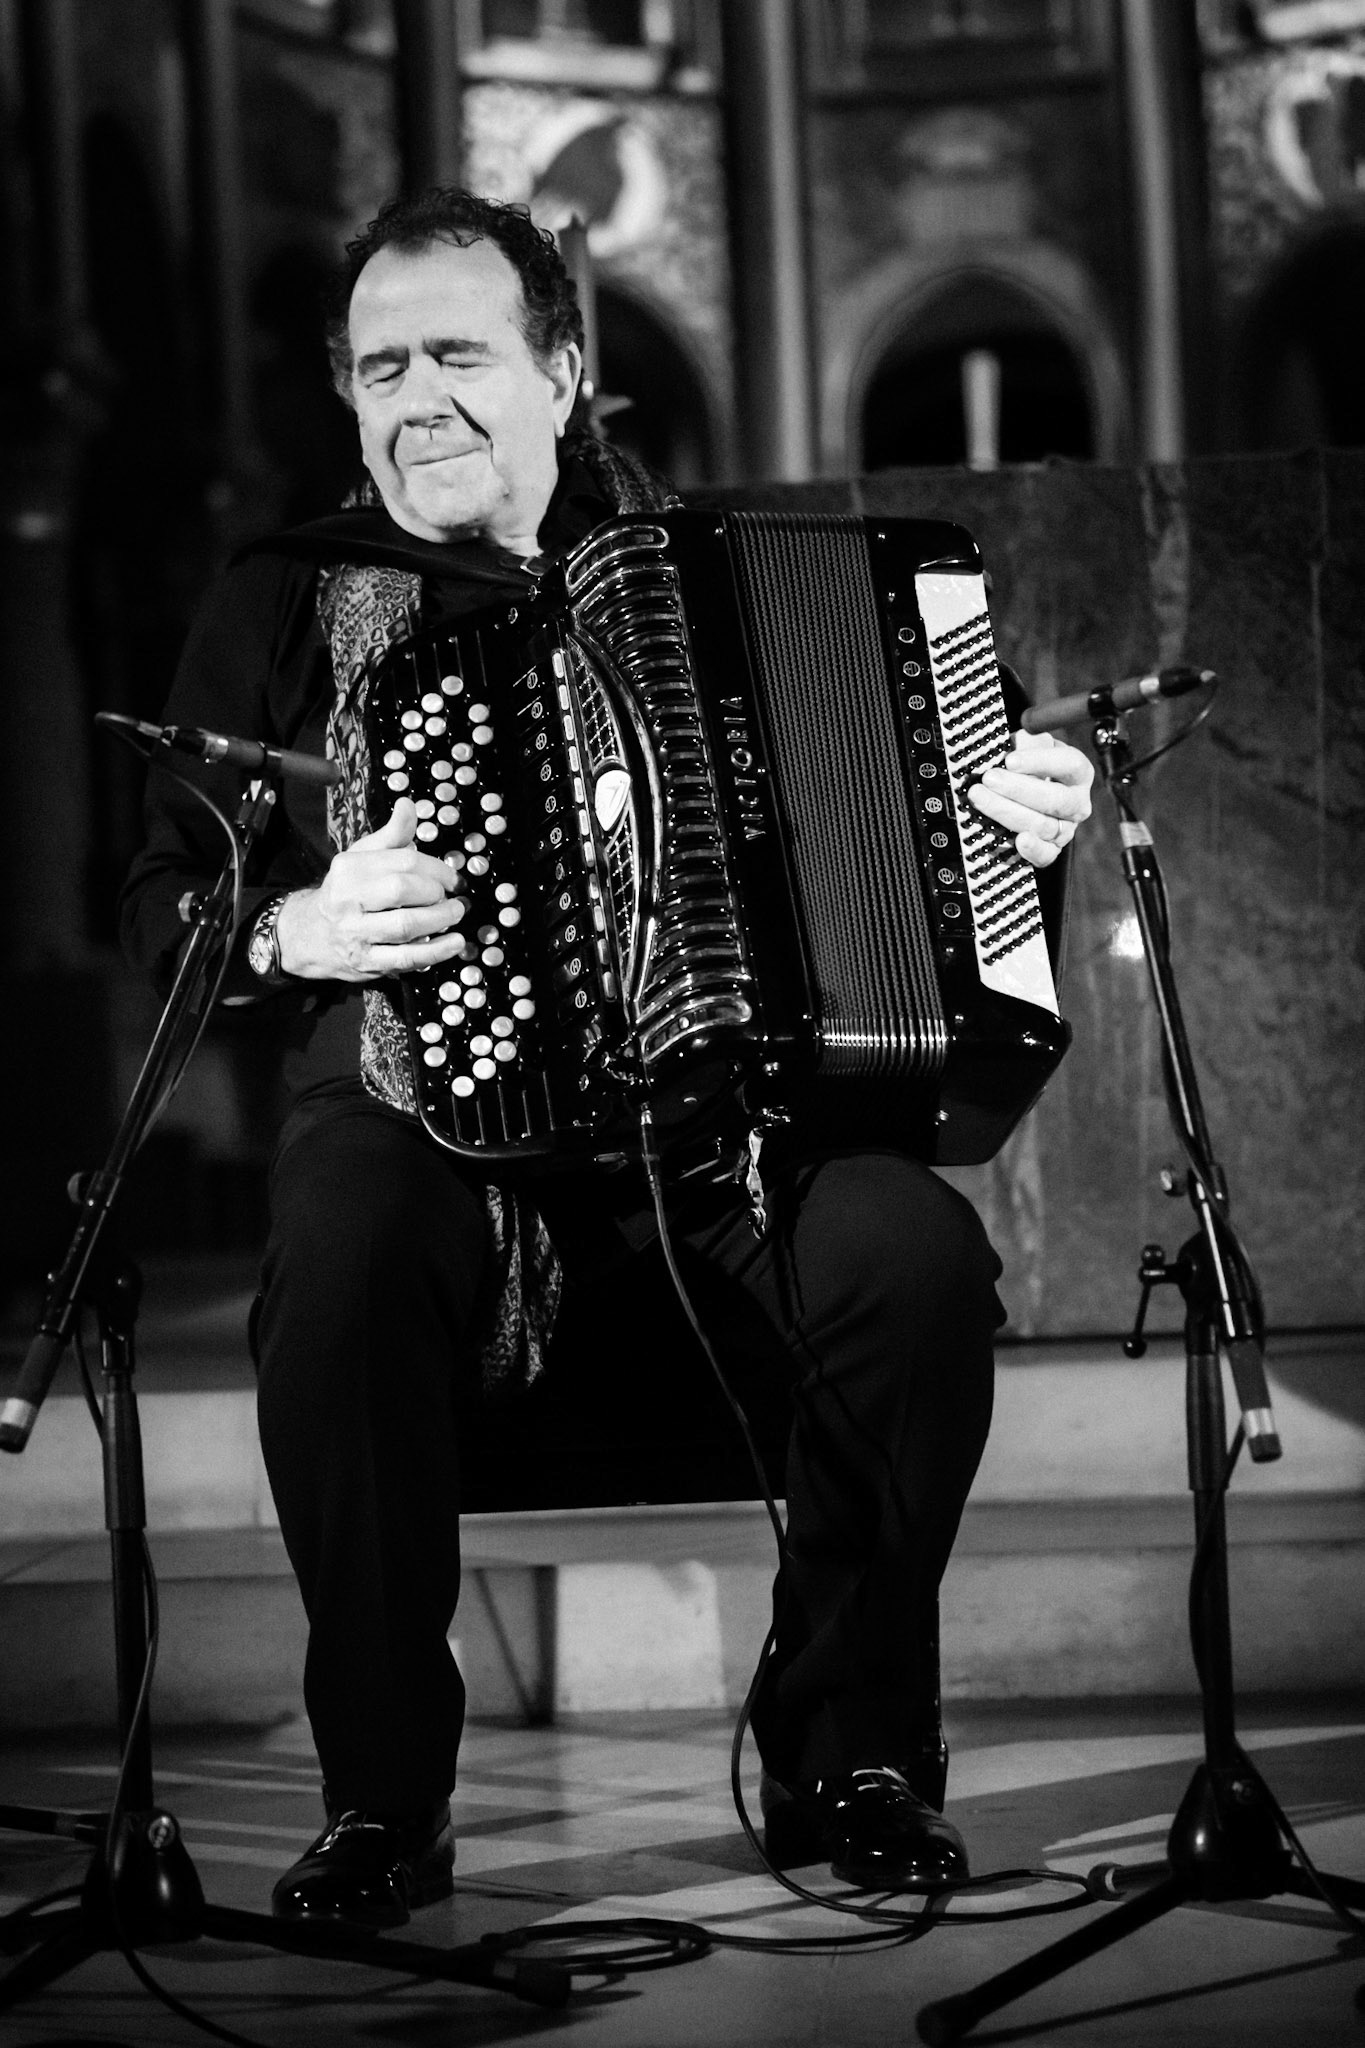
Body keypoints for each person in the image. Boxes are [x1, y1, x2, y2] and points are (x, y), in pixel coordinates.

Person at [120, 189, 1094, 1931]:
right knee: (337, 1244)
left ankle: (851, 1755)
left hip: (715, 1146)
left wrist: (1016, 832)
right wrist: (293, 929)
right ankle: (381, 1803)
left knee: (912, 1254)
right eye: (377, 366)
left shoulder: (720, 579)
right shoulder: (283, 599)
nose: (413, 398)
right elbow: (159, 901)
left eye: (458, 356)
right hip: (434, 1146)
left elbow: (914, 864)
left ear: (563, 374)